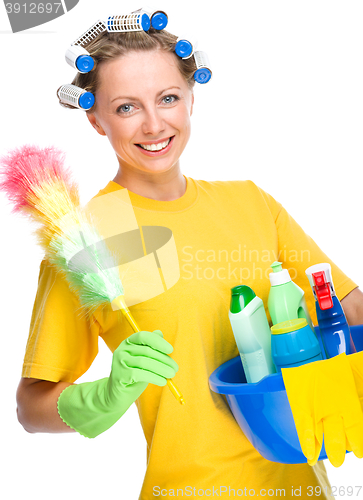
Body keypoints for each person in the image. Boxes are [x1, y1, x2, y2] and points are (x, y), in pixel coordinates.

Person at [16, 22, 363, 500]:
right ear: (95, 118)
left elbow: (349, 307)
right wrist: (105, 395)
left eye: (168, 98)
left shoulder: (251, 202)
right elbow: (30, 408)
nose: (154, 125)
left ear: (191, 98)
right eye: (125, 108)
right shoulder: (85, 236)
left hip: (304, 488)